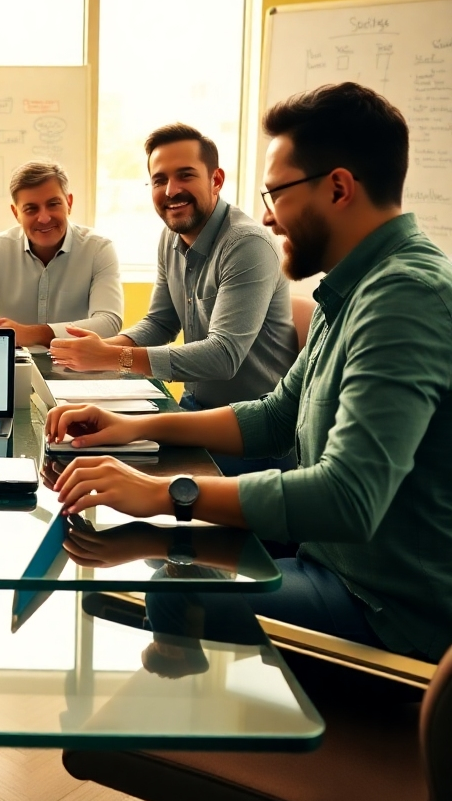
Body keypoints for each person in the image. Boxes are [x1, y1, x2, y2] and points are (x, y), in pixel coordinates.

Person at [48, 82, 452, 662]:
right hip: (328, 565)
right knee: (157, 546)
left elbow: (347, 497)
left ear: (338, 188)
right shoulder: (359, 287)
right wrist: (129, 427)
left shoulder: (403, 297)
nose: (266, 214)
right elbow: (273, 417)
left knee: (172, 589)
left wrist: (163, 493)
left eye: (277, 193)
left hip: (383, 613)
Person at [50, 125, 297, 475]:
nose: (171, 190)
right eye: (158, 179)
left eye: (185, 175)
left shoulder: (247, 244)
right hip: (194, 410)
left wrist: (114, 357)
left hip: (252, 434)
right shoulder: (171, 237)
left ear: (216, 179)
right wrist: (97, 353)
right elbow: (161, 322)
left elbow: (223, 357)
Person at [0, 161, 123, 347]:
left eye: (53, 204)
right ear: (16, 213)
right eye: (31, 209)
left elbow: (108, 321)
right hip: (12, 368)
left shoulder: (98, 249)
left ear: (69, 203)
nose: (44, 218)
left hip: (77, 369)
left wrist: (31, 334)